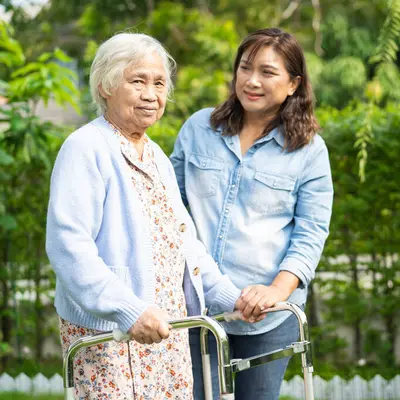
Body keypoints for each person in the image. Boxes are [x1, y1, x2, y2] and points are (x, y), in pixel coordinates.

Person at [46, 32, 241, 400]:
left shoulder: (156, 157)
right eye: (137, 81)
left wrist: (232, 297)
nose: (151, 94)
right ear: (105, 85)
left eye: (159, 83)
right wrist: (129, 310)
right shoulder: (85, 148)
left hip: (165, 336)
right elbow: (68, 247)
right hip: (112, 339)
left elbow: (185, 246)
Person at [170, 27, 334, 400]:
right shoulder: (198, 128)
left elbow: (310, 233)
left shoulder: (309, 152)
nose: (252, 81)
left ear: (293, 83)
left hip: (267, 319)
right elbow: (169, 209)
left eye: (267, 71)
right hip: (196, 310)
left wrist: (276, 291)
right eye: (245, 68)